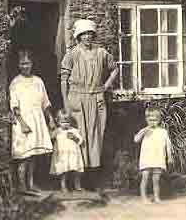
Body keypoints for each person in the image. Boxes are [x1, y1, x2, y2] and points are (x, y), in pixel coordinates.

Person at [60, 19, 118, 191]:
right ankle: (73, 181)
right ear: (78, 36)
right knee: (77, 138)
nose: (87, 37)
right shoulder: (72, 54)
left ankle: (90, 180)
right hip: (76, 98)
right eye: (84, 34)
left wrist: (105, 86)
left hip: (96, 99)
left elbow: (114, 69)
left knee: (95, 139)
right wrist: (66, 104)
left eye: (90, 34)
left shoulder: (101, 53)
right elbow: (64, 80)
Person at [10, 49, 55, 194]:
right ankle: (22, 186)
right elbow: (14, 106)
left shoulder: (38, 81)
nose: (25, 66)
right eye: (22, 64)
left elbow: (45, 102)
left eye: (27, 63)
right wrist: (22, 124)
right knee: (24, 155)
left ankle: (31, 184)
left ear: (32, 64)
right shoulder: (15, 83)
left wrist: (51, 119)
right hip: (22, 121)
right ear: (18, 65)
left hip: (37, 120)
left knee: (33, 154)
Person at [134, 107, 174, 203]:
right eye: (150, 120)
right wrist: (143, 131)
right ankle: (144, 198)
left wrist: (169, 157)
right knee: (145, 177)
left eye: (155, 120)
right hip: (146, 158)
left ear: (159, 120)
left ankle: (156, 197)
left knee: (156, 179)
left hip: (158, 157)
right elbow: (136, 140)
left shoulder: (163, 132)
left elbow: (168, 145)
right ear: (146, 120)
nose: (152, 122)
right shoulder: (145, 131)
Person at [49, 110, 84, 192]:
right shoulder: (58, 131)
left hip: (73, 154)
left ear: (71, 121)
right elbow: (51, 136)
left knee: (76, 170)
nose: (65, 124)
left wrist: (74, 138)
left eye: (67, 122)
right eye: (63, 122)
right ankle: (63, 185)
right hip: (62, 155)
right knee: (63, 171)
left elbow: (81, 140)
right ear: (58, 121)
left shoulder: (74, 130)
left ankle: (77, 185)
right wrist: (51, 128)